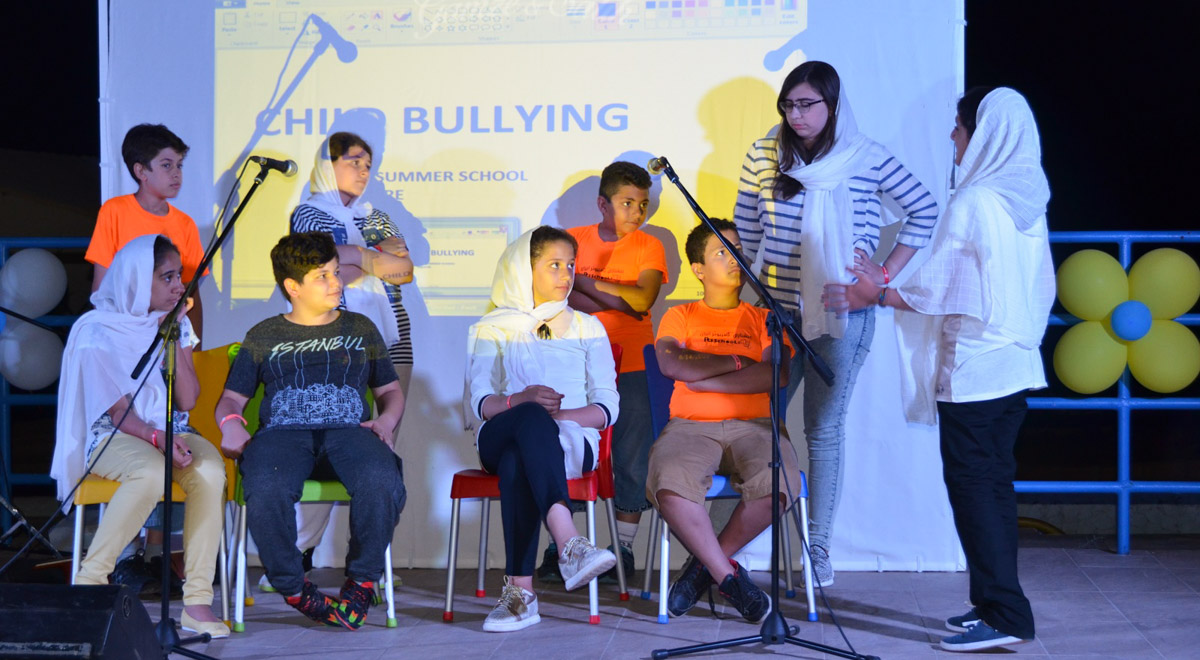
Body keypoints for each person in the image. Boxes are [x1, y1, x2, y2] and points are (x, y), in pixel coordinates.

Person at [829, 87, 1049, 652]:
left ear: (984, 133)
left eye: (959, 126)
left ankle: (1006, 614)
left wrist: (878, 291)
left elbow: (948, 286)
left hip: (977, 369)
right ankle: (993, 604)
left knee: (976, 490)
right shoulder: (1026, 197)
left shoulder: (976, 199)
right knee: (992, 487)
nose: (952, 136)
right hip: (1013, 364)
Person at [733, 61, 940, 586]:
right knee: (757, 424)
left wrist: (883, 274)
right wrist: (746, 298)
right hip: (776, 312)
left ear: (833, 105)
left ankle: (819, 549)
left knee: (822, 430)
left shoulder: (864, 156)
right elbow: (747, 229)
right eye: (789, 105)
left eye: (807, 104)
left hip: (842, 311)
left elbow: (924, 209)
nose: (796, 115)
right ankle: (742, 544)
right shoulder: (763, 153)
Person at [215, 232, 407, 630]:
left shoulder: (361, 328)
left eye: (336, 272)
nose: (336, 282)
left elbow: (390, 391)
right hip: (282, 437)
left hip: (350, 433)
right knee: (265, 483)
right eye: (323, 276)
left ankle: (362, 582)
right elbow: (231, 399)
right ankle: (293, 587)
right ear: (293, 286)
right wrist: (230, 425)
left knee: (381, 477)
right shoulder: (265, 334)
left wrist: (386, 422)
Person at [51, 234, 228, 638]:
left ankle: (197, 600)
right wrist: (156, 437)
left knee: (210, 472)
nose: (179, 287)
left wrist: (174, 336)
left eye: (179, 276)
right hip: (113, 433)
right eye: (167, 277)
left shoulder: (175, 324)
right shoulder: (96, 330)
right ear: (135, 278)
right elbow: (118, 412)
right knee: (149, 473)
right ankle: (90, 581)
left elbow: (187, 399)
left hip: (172, 428)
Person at [278, 131, 415, 591]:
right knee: (331, 442)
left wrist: (356, 259)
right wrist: (372, 259)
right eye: (353, 161)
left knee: (382, 448)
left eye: (368, 163)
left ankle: (369, 565)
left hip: (392, 339)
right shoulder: (309, 212)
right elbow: (320, 266)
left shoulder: (375, 215)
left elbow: (404, 268)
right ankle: (297, 553)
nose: (363, 170)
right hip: (335, 339)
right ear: (327, 164)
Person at [465, 226, 619, 632]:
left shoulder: (588, 326)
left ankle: (521, 595)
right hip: (499, 432)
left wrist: (555, 420)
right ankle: (570, 542)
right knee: (529, 418)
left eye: (570, 265)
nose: (566, 274)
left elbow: (607, 408)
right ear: (523, 269)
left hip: (571, 441)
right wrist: (520, 401)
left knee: (521, 454)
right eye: (554, 265)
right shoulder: (492, 326)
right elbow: (480, 403)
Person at [647, 219, 801, 623]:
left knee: (780, 482)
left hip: (757, 427)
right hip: (690, 426)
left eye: (737, 249)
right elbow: (671, 363)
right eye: (722, 251)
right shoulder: (679, 315)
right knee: (670, 483)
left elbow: (776, 375)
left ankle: (704, 569)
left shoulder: (765, 317)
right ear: (698, 269)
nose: (736, 258)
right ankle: (728, 578)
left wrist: (705, 379)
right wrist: (736, 362)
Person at [545, 161, 667, 583]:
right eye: (627, 203)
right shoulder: (573, 240)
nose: (637, 212)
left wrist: (585, 284)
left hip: (633, 362)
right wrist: (620, 298)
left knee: (632, 454)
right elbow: (560, 296)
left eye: (643, 204)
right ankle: (565, 545)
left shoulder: (650, 246)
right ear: (602, 204)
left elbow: (643, 300)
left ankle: (624, 547)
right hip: (575, 362)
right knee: (569, 449)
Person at [86, 124, 206, 341]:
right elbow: (101, 289)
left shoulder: (185, 223)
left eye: (179, 165)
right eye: (166, 165)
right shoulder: (114, 212)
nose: (176, 174)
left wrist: (195, 348)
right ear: (141, 171)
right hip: (124, 334)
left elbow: (191, 293)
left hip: (170, 336)